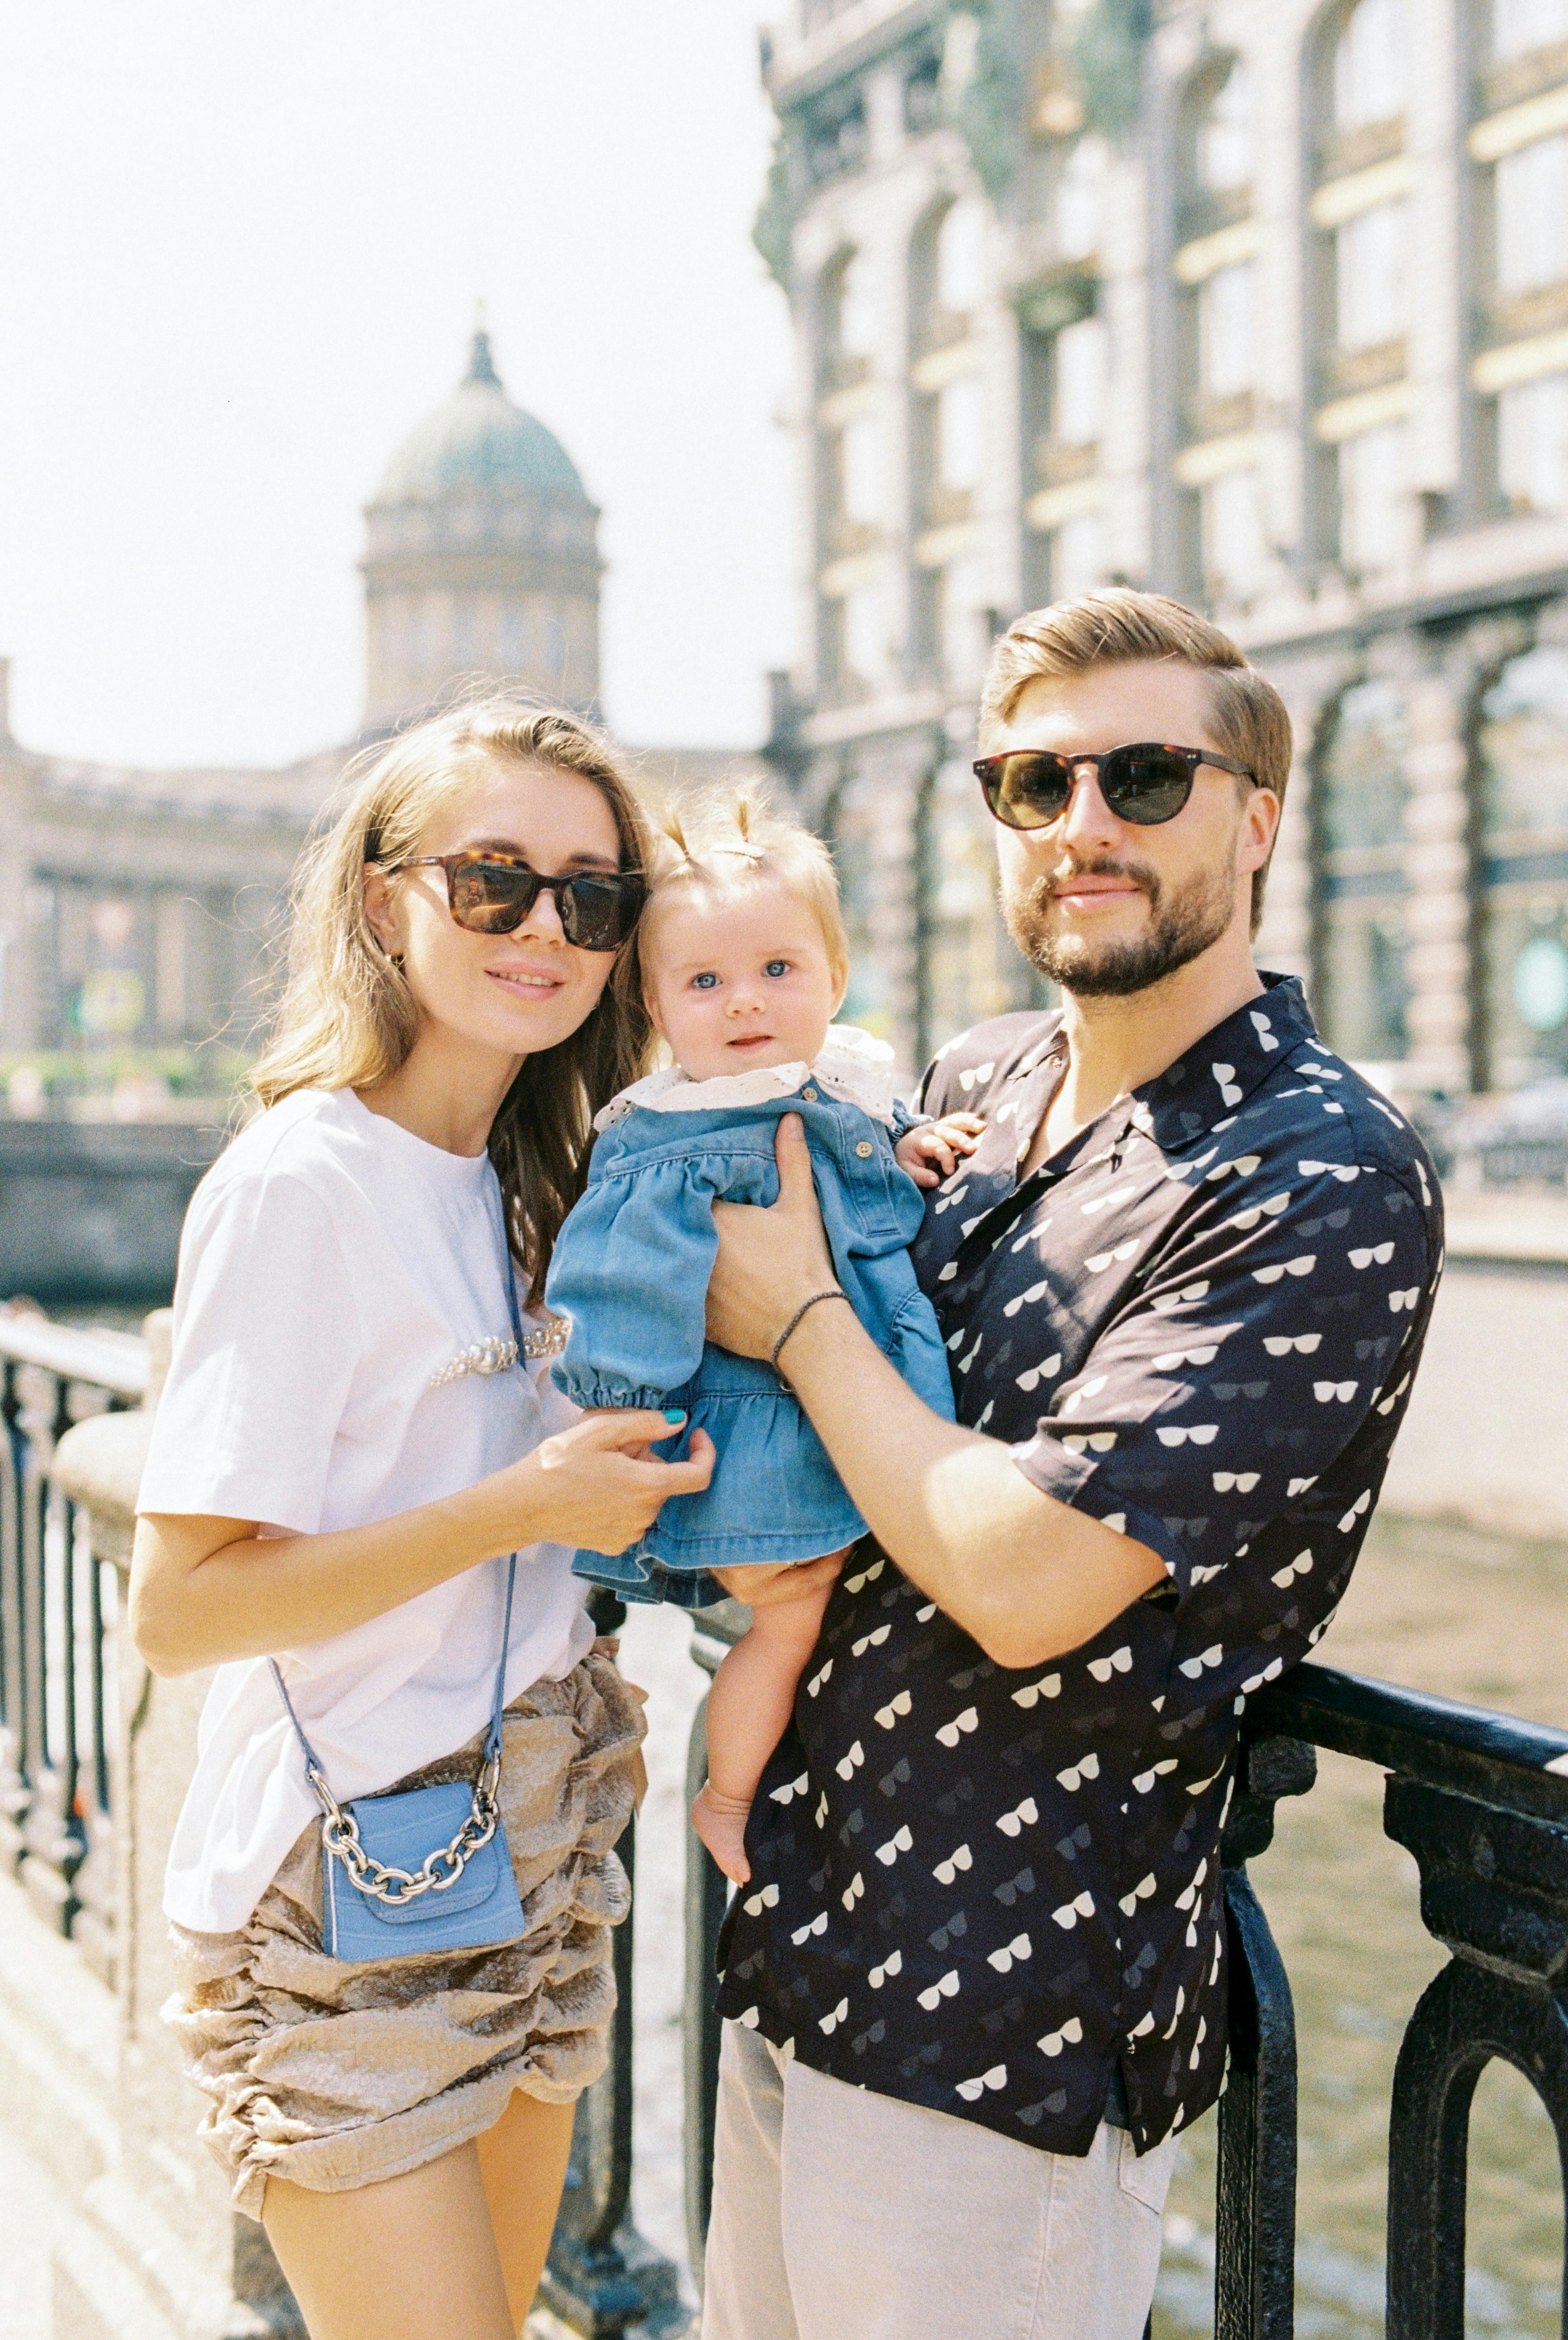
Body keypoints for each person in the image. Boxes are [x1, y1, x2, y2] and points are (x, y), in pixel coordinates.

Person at [698, 590, 1443, 2340]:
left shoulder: (1317, 1169)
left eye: (1141, 775)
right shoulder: (978, 1078)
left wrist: (796, 1309)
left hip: (1001, 2035)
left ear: (1255, 818)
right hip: (795, 1941)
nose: (1080, 824)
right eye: (1029, 782)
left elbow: (1028, 1576)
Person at [127, 700, 716, 2340]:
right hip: (344, 1883)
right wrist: (519, 1504)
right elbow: (181, 1608)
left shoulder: (545, 1173)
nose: (545, 927)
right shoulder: (300, 1182)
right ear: (386, 899)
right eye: (493, 882)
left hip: (538, 1820)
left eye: (591, 897)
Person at [544, 791, 983, 1884]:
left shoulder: (824, 1088)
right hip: (757, 1449)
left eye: (778, 971)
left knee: (814, 1618)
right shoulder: (670, 1144)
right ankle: (729, 1799)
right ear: (656, 1007)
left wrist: (911, 1142)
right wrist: (629, 1428)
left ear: (835, 981)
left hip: (829, 1417)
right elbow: (614, 1286)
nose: (745, 1002)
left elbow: (852, 1162)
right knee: (788, 1619)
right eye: (705, 983)